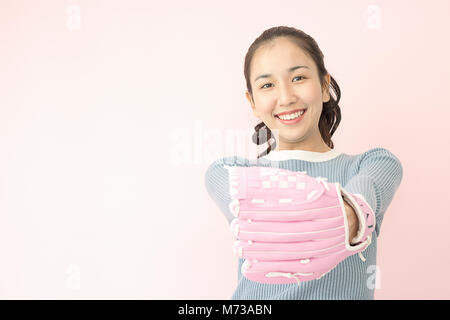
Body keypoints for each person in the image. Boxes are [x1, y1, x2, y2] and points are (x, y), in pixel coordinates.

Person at [204, 26, 403, 300]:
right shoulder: (232, 173)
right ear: (252, 101)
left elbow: (359, 202)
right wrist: (336, 210)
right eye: (267, 85)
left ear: (324, 86)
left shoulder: (372, 165)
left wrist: (353, 212)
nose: (286, 97)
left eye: (298, 77)